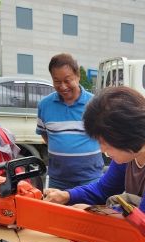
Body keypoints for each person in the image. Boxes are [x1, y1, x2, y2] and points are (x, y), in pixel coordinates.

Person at [44, 86, 145, 215]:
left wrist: (96, 211)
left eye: (104, 143)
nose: (102, 149)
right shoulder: (131, 154)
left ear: (126, 136)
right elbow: (103, 190)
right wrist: (67, 195)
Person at [37, 53, 103, 190]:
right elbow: (45, 135)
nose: (63, 86)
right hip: (58, 181)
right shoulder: (44, 105)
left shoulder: (96, 104)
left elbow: (105, 136)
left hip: (90, 178)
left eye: (67, 80)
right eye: (57, 81)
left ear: (78, 76)